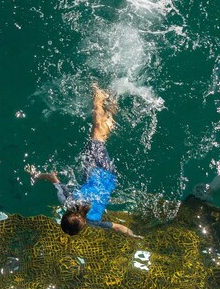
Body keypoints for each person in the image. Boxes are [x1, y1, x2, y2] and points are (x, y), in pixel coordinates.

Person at [28, 83, 142, 238]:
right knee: (97, 131)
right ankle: (99, 94)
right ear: (65, 214)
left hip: (109, 176)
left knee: (101, 134)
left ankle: (112, 101)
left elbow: (118, 227)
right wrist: (37, 175)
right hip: (95, 169)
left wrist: (133, 235)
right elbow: (53, 177)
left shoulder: (95, 222)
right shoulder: (67, 200)